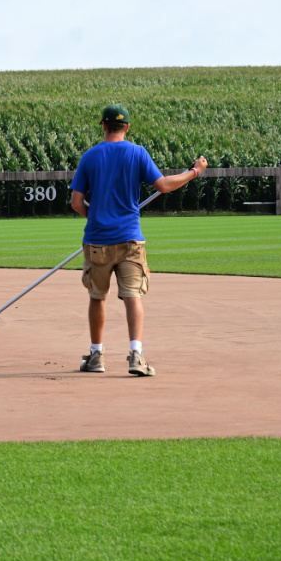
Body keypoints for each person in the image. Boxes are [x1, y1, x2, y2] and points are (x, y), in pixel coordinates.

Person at [69, 105, 205, 376]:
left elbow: (75, 202)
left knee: (98, 297)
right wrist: (195, 171)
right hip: (130, 238)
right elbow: (164, 185)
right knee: (132, 297)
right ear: (127, 128)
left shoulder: (90, 156)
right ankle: (136, 356)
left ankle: (96, 356)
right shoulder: (137, 153)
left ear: (104, 126)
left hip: (97, 239)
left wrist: (94, 217)